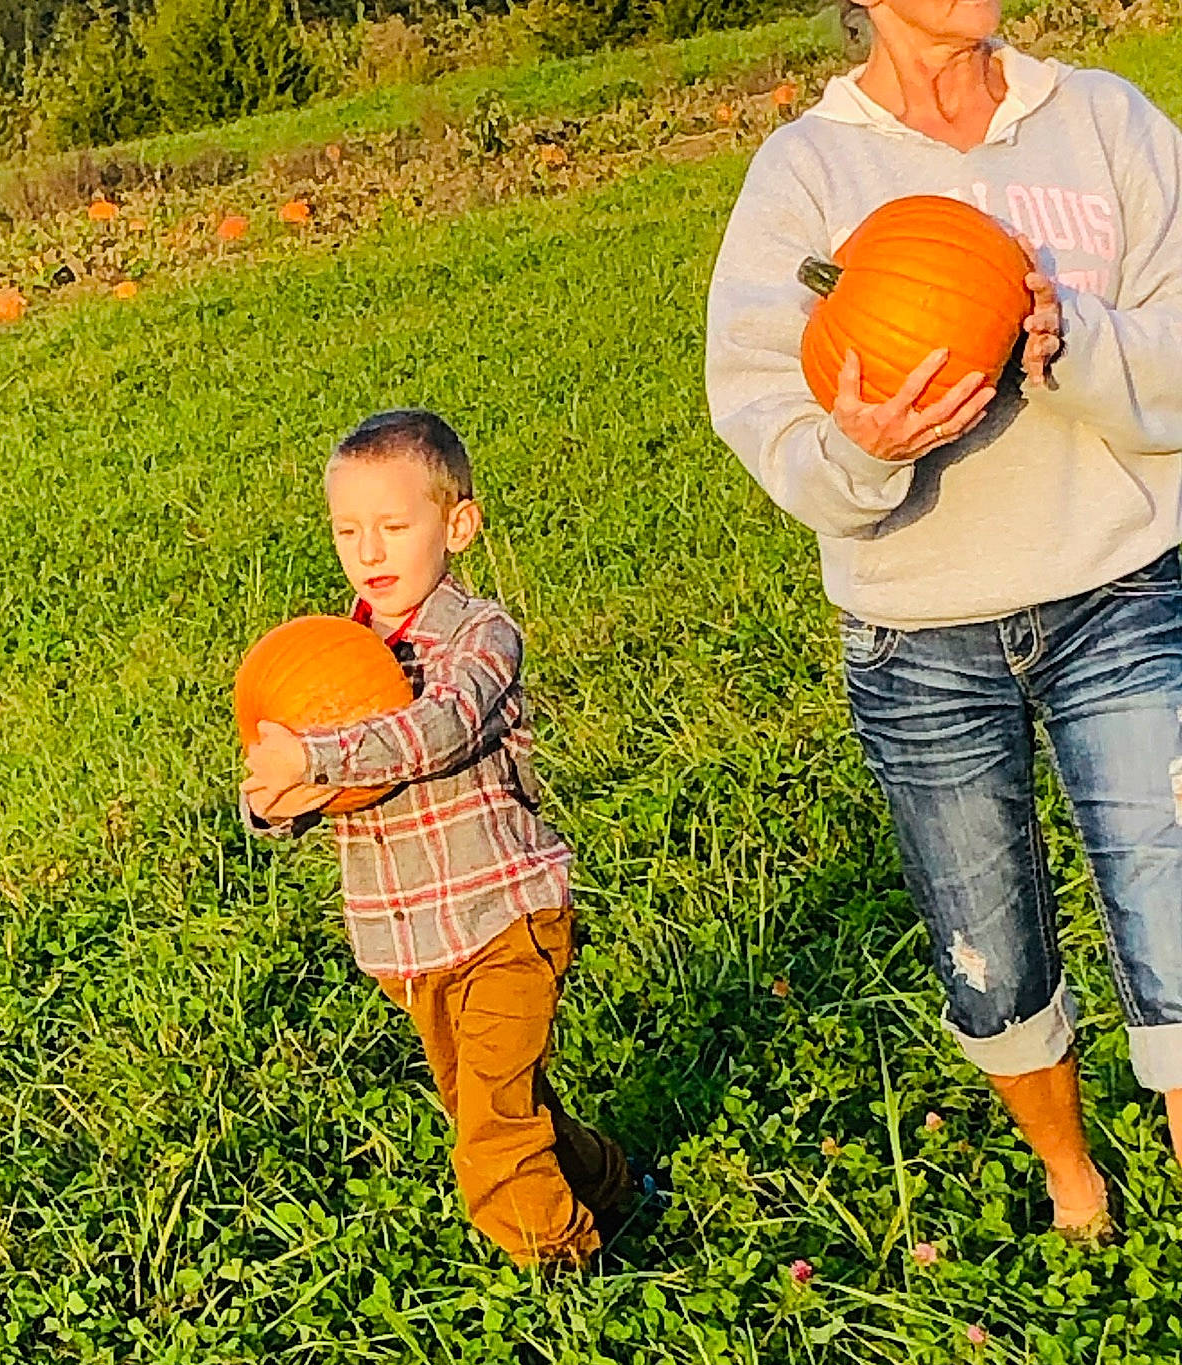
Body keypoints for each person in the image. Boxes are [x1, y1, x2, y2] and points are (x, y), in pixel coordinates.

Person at [705, 0, 1182, 1239]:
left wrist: (1073, 341)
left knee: (1176, 910)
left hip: (1120, 584)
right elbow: (761, 407)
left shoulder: (1102, 119)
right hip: (920, 633)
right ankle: (1075, 1183)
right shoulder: (807, 172)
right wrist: (863, 456)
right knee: (991, 952)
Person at [241, 408, 629, 1267]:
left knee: (490, 1130)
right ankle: (605, 1182)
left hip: (503, 918)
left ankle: (563, 1275)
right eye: (348, 531)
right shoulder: (328, 654)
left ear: (457, 525)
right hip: (407, 941)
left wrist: (317, 751)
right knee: (489, 1103)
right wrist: (276, 796)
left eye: (393, 527)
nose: (369, 553)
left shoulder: (479, 637)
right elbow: (302, 784)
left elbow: (439, 730)